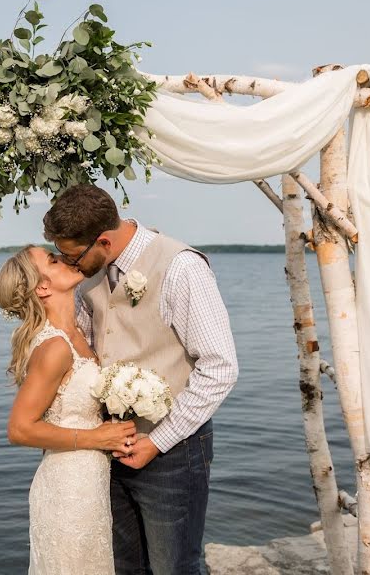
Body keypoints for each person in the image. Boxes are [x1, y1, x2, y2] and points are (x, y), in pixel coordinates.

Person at [43, 184, 238, 574]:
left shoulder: (181, 267)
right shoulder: (90, 269)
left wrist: (158, 441)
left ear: (103, 240)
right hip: (107, 449)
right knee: (124, 567)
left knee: (175, 567)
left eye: (72, 256)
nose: (70, 265)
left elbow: (220, 367)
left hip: (173, 450)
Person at [0, 245, 137, 574]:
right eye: (54, 260)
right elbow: (19, 429)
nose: (67, 260)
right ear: (42, 286)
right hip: (68, 488)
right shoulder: (55, 346)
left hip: (90, 480)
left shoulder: (78, 335)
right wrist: (98, 438)